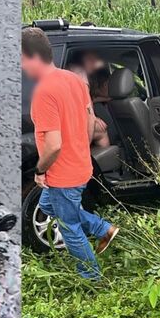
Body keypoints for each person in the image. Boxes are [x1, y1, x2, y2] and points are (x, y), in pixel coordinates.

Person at [22, 28, 119, 279]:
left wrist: (40, 170)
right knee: (48, 205)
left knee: (70, 228)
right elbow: (90, 118)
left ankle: (91, 278)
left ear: (32, 57)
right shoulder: (74, 79)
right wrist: (81, 148)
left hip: (62, 174)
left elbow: (53, 144)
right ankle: (103, 228)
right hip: (81, 165)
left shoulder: (43, 92)